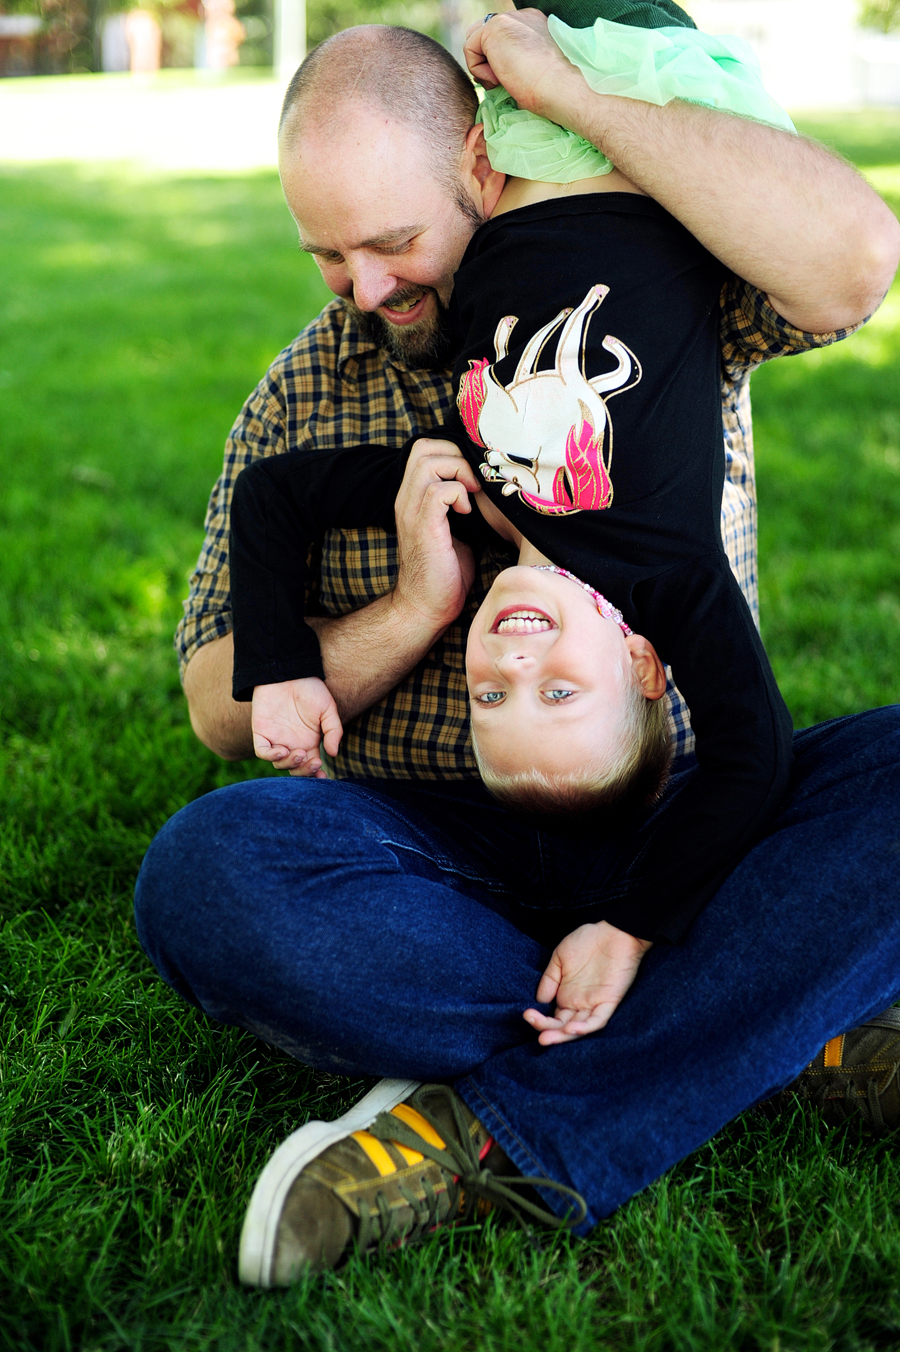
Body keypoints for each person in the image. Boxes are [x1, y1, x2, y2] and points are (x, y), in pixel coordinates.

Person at [134, 13, 900, 1287]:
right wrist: (414, 609)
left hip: (690, 816)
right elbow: (222, 705)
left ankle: (500, 1121)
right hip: (434, 854)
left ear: (484, 175)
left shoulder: (663, 290)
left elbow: (856, 258)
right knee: (208, 876)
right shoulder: (303, 394)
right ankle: (766, 1020)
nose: (367, 292)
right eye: (327, 257)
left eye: (393, 244)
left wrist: (584, 107)